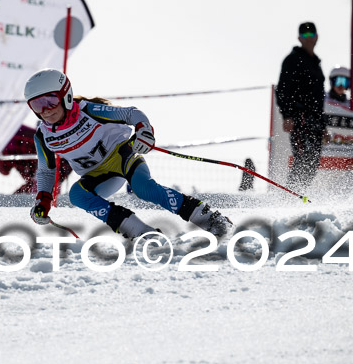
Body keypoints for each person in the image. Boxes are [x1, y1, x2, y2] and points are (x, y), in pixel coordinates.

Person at [24, 68, 232, 239]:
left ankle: (211, 219)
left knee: (143, 189)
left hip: (123, 157)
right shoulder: (43, 136)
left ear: (66, 96)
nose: (46, 110)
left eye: (50, 101)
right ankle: (141, 234)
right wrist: (43, 199)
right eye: (37, 105)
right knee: (77, 195)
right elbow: (46, 171)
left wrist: (144, 131)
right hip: (98, 176)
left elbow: (131, 114)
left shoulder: (88, 111)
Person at [275, 22, 327, 191]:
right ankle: (289, 197)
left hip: (315, 119)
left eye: (311, 34)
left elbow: (319, 100)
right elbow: (283, 89)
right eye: (304, 35)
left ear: (317, 36)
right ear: (299, 38)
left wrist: (323, 126)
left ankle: (299, 193)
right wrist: (287, 115)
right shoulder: (292, 60)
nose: (308, 38)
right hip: (299, 117)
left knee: (312, 160)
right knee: (303, 157)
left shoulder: (316, 63)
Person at [0, 124, 72, 195]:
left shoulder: (14, 136)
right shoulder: (14, 139)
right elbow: (5, 170)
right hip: (51, 163)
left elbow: (4, 171)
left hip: (55, 162)